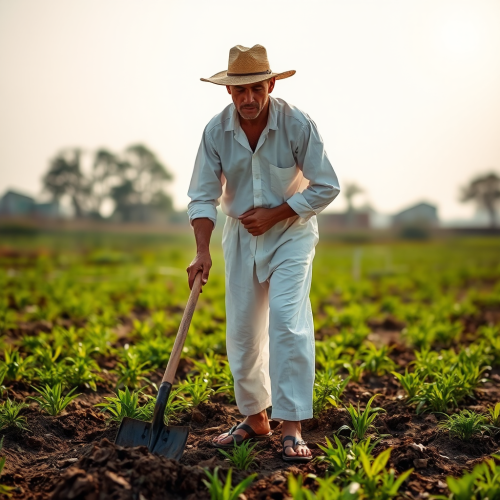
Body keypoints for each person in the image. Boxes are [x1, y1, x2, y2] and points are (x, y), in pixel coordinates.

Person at [186, 44, 340, 462]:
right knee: (242, 332)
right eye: (240, 91)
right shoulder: (216, 132)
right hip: (239, 235)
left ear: (270, 84)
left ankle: (291, 425)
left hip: (292, 230)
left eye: (257, 88)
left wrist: (276, 214)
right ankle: (255, 418)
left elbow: (326, 185)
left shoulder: (296, 124)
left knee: (288, 323)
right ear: (229, 93)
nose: (249, 98)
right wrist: (202, 251)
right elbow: (202, 196)